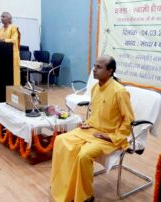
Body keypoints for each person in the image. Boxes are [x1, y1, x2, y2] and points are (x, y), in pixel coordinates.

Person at [50, 55, 134, 202]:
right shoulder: (95, 87)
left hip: (109, 136)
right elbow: (96, 112)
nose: (94, 70)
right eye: (94, 66)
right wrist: (88, 123)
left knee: (84, 155)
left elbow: (129, 120)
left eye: (99, 67)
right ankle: (65, 186)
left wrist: (113, 137)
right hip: (92, 130)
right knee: (60, 140)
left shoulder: (120, 91)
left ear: (110, 71)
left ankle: (85, 196)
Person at [0, 12, 20, 85]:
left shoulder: (13, 28)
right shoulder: (1, 29)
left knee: (11, 76)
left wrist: (1, 40)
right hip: (2, 56)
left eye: (3, 17)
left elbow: (14, 40)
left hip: (11, 55)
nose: (1, 18)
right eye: (1, 17)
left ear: (9, 18)